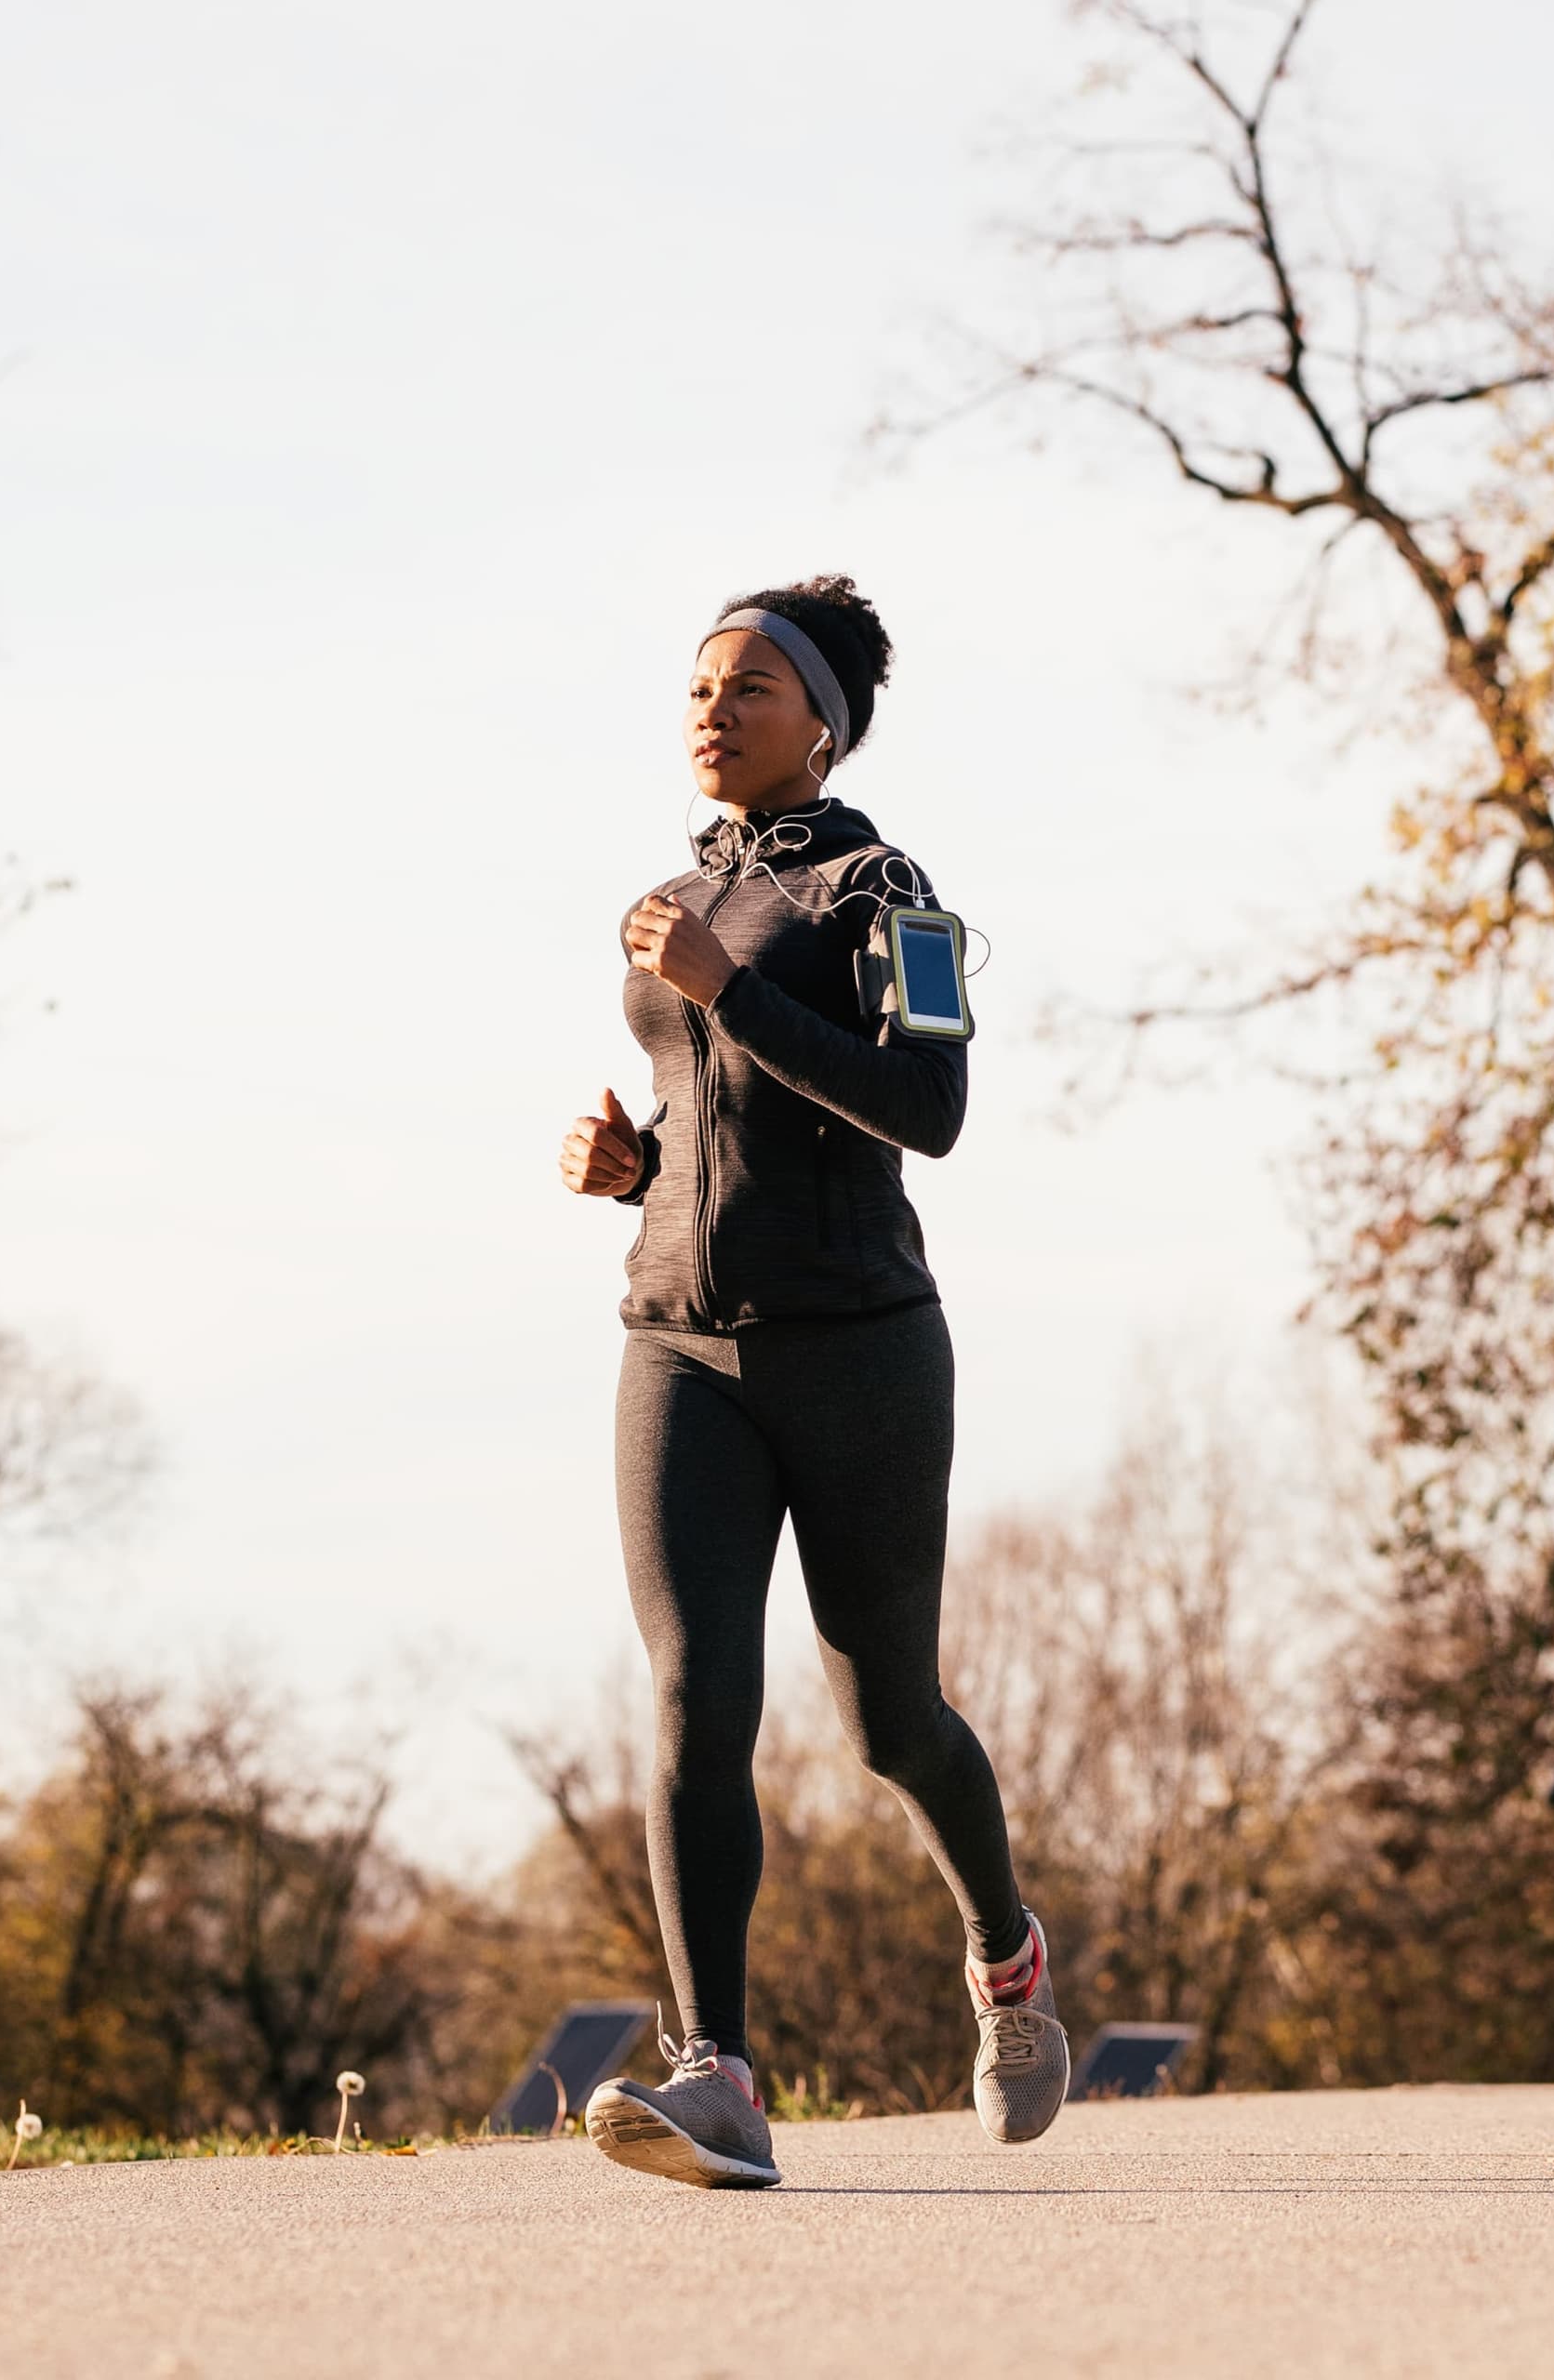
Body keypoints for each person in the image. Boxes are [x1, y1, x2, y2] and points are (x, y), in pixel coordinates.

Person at [554, 575, 1067, 2189]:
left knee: (890, 1719)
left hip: (859, 1350)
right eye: (700, 686)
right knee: (696, 1694)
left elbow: (929, 1113)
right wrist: (637, 1172)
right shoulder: (675, 898)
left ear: (825, 726)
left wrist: (731, 988)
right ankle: (714, 2073)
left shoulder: (885, 891)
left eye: (752, 687)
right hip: (678, 1344)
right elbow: (727, 1126)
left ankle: (1005, 1960)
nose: (713, 709)